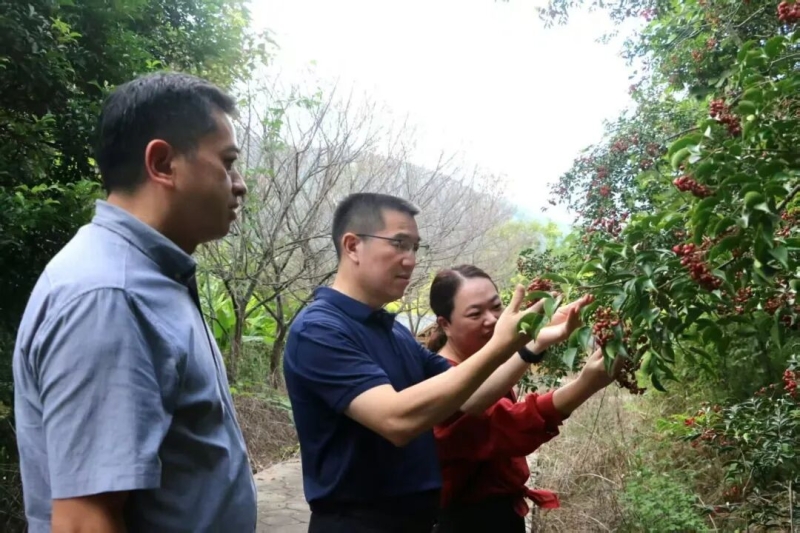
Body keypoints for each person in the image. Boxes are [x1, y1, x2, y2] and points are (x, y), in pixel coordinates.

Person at [12, 72, 257, 532]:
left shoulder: (149, 279)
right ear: (163, 163)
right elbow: (85, 522)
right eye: (228, 162)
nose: (239, 184)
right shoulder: (112, 296)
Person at [282, 192, 590, 533]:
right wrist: (501, 344)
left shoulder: (391, 332)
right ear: (353, 246)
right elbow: (397, 420)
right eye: (399, 243)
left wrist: (533, 343)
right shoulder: (320, 330)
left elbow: (471, 397)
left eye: (415, 246)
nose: (411, 259)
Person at [426, 265, 622, 533]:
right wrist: (584, 386)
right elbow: (506, 425)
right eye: (475, 313)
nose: (493, 320)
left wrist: (538, 336)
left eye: (496, 307)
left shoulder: (482, 363)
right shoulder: (439, 379)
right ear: (444, 324)